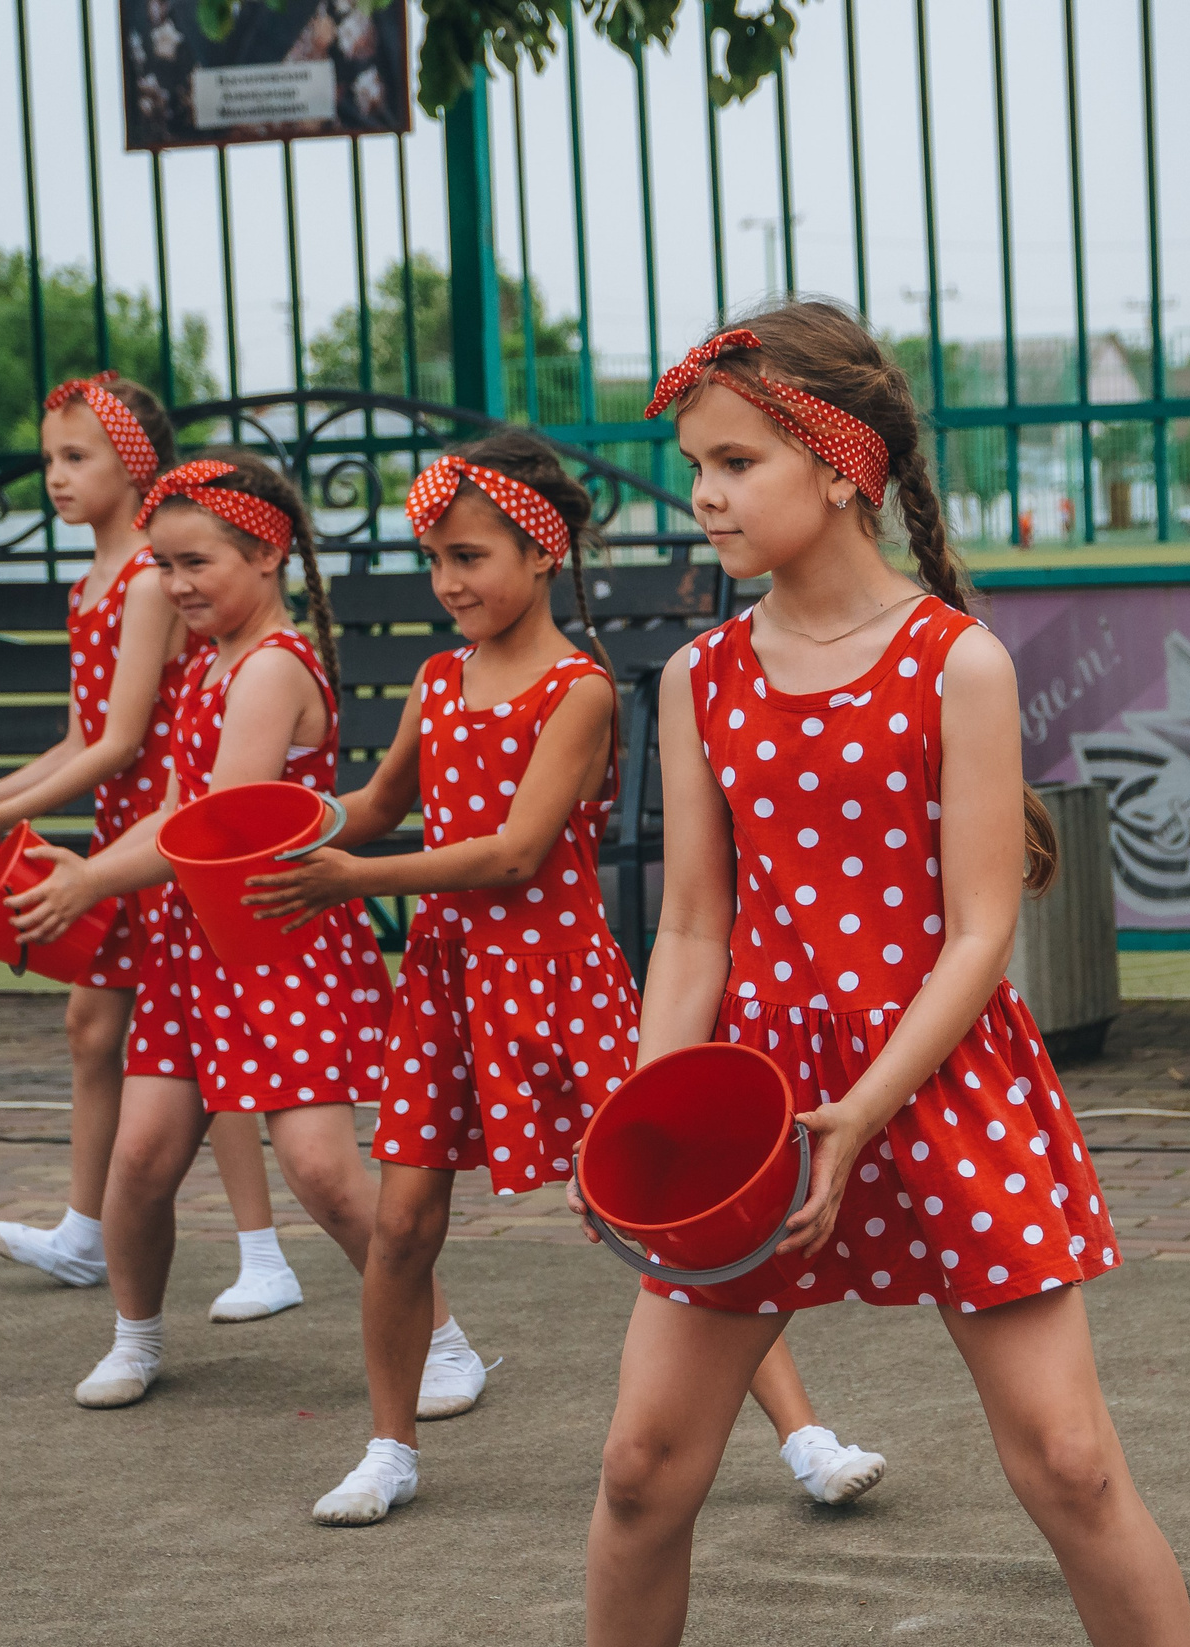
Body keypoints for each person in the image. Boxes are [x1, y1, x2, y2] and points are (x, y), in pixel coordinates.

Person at [572, 302, 1190, 1647]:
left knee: (1073, 1462)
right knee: (638, 1473)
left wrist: (864, 1106)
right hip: (754, 1105)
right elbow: (689, 924)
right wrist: (645, 1110)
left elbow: (984, 930)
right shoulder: (698, 677)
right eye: (696, 466)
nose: (705, 495)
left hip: (937, 1084)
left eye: (736, 462)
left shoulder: (955, 661)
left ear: (844, 469)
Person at [243, 430, 888, 1525]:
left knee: (661, 1211)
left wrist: (351, 879)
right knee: (401, 1230)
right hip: (448, 991)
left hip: (560, 981)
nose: (448, 583)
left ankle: (806, 1435)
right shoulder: (437, 682)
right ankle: (389, 1449)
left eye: (470, 557)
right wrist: (281, 826)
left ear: (540, 556)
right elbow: (382, 806)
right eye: (435, 561)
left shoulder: (578, 690)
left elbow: (512, 853)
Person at [6, 452, 389, 1409]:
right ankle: (135, 1338)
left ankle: (440, 1339)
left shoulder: (268, 671)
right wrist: (90, 867)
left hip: (276, 945)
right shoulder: (210, 664)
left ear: (266, 555)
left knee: (323, 1173)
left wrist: (90, 876)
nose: (173, 586)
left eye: (194, 564)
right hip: (195, 949)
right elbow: (174, 807)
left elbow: (207, 828)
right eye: (162, 566)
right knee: (140, 1160)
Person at [0, 374, 306, 1323]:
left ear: (135, 466)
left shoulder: (148, 578)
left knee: (198, 1038)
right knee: (98, 1030)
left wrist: (1, 821)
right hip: (123, 831)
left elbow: (120, 743)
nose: (55, 476)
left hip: (164, 835)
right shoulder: (90, 583)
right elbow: (76, 737)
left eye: (77, 456)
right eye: (50, 458)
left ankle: (259, 1251)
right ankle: (85, 1231)